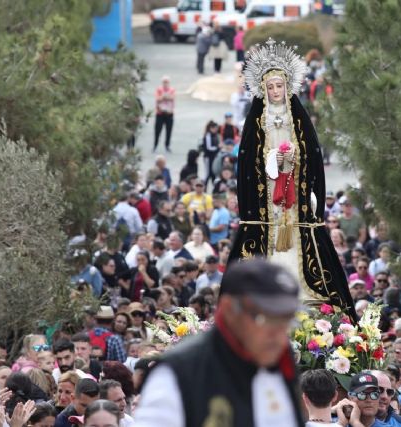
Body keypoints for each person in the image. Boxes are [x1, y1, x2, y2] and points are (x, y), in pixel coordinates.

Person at [228, 38, 356, 321]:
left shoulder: (298, 121)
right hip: (267, 199)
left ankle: (300, 288)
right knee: (270, 241)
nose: (275, 91)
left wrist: (293, 162)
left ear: (287, 87)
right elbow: (248, 164)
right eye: (270, 87)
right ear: (262, 88)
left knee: (298, 241)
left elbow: (311, 156)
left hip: (294, 197)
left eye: (279, 86)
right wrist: (273, 163)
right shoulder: (256, 123)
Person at [133, 259, 304, 426]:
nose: (279, 335)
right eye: (265, 319)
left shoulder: (279, 358)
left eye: (286, 320)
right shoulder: (177, 374)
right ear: (229, 309)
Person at [154, 75, 175, 152]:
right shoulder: (159, 89)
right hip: (160, 113)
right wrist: (164, 97)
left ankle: (167, 145)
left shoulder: (172, 89)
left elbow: (172, 98)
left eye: (167, 82)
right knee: (157, 130)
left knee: (169, 130)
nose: (165, 83)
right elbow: (158, 99)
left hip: (169, 113)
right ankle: (155, 144)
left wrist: (163, 97)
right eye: (164, 82)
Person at [201, 121, 220, 188]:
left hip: (213, 157)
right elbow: (208, 148)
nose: (216, 130)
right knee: (207, 174)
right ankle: (203, 187)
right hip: (208, 158)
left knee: (213, 173)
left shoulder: (215, 135)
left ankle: (215, 189)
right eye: (215, 128)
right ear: (211, 128)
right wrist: (218, 147)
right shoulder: (208, 136)